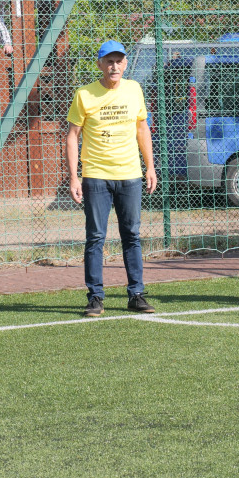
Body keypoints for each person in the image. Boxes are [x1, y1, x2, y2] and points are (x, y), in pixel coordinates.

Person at [67, 40, 159, 317]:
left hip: (130, 176)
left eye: (119, 61)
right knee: (95, 237)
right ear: (99, 64)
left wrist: (150, 167)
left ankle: (137, 294)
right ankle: (95, 296)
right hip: (96, 177)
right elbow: (72, 136)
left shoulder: (135, 90)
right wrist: (74, 177)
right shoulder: (84, 94)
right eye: (109, 61)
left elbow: (142, 129)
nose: (114, 66)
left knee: (131, 235)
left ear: (126, 64)